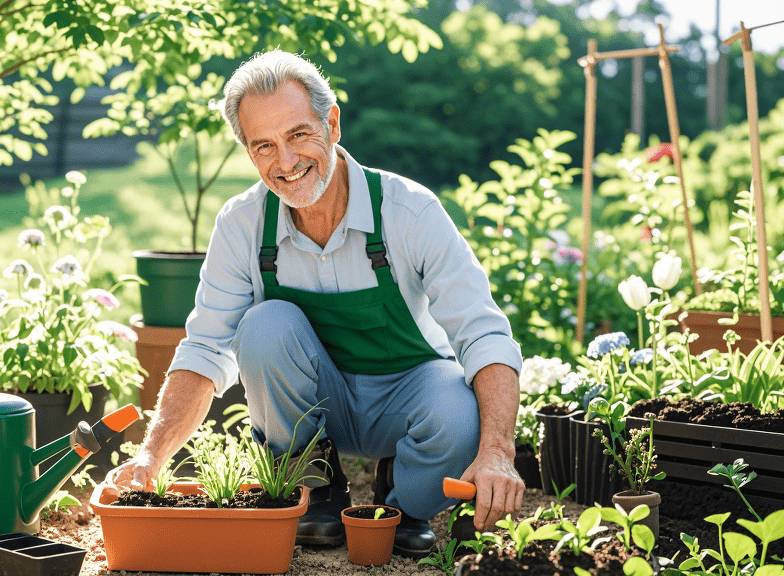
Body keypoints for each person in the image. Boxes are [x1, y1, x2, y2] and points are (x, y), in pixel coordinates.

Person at [101, 50, 524, 558]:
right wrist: (150, 457)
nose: (285, 162)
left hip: (408, 397)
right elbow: (206, 350)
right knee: (264, 326)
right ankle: (316, 485)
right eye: (264, 146)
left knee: (459, 412)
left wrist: (498, 451)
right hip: (316, 409)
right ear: (249, 153)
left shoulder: (409, 211)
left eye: (299, 134)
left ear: (333, 122)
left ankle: (404, 501)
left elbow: (483, 333)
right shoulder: (242, 225)